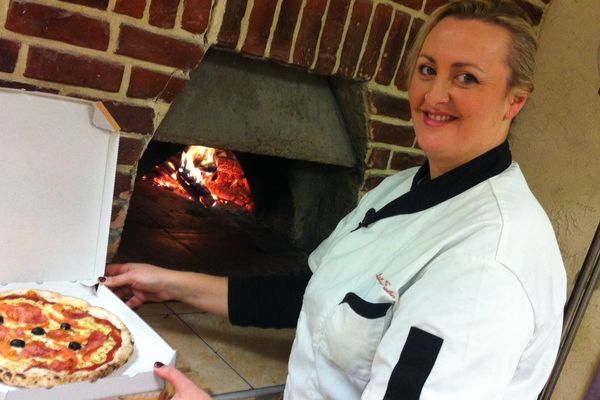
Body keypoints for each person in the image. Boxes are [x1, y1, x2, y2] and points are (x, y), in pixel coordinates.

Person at [103, 0, 566, 398]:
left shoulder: (486, 268)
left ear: (514, 101)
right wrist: (168, 282)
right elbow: (310, 293)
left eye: (466, 78)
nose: (434, 94)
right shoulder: (404, 186)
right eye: (427, 69)